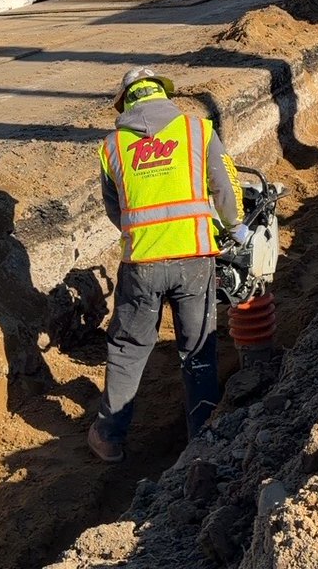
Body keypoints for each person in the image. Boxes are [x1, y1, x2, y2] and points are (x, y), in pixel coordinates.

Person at [88, 67, 246, 464]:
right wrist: (236, 227)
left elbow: (116, 210)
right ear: (164, 95)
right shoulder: (197, 130)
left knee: (128, 347)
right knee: (198, 350)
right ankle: (203, 437)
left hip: (141, 262)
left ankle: (108, 435)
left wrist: (146, 233)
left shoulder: (112, 146)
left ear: (124, 103)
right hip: (194, 257)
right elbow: (224, 186)